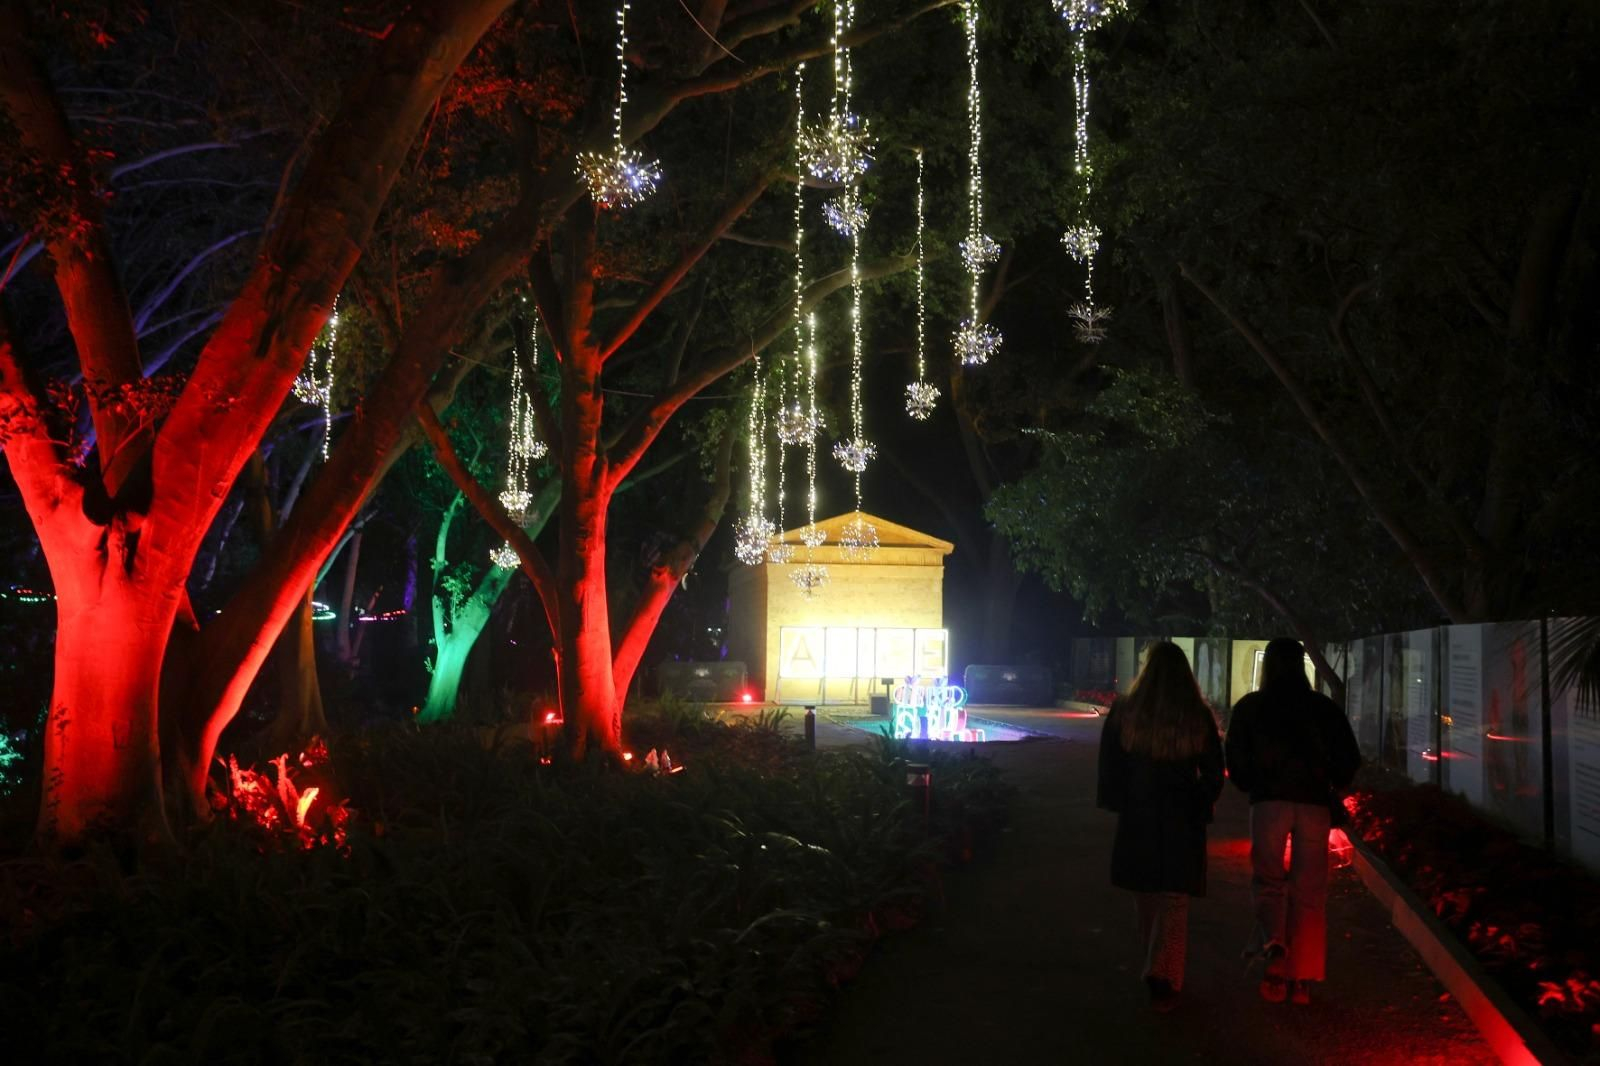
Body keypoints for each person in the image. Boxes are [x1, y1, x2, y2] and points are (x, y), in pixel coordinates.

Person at [1224, 638, 1361, 1006]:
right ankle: (1303, 979)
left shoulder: (1252, 707)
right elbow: (1349, 755)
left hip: (1269, 803)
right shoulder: (1322, 708)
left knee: (1268, 881)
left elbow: (1235, 756)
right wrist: (1332, 784)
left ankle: (1275, 950)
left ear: (1268, 666)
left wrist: (1251, 783)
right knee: (1310, 892)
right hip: (1314, 805)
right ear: (1302, 665)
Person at [1097, 641, 1225, 1012]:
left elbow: (1111, 768)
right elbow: (1215, 771)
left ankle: (1156, 968)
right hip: (1182, 815)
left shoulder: (1125, 711)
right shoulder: (1196, 714)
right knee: (1175, 898)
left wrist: (1122, 802)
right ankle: (1163, 976)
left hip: (1139, 814)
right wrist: (1201, 802)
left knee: (1146, 896)